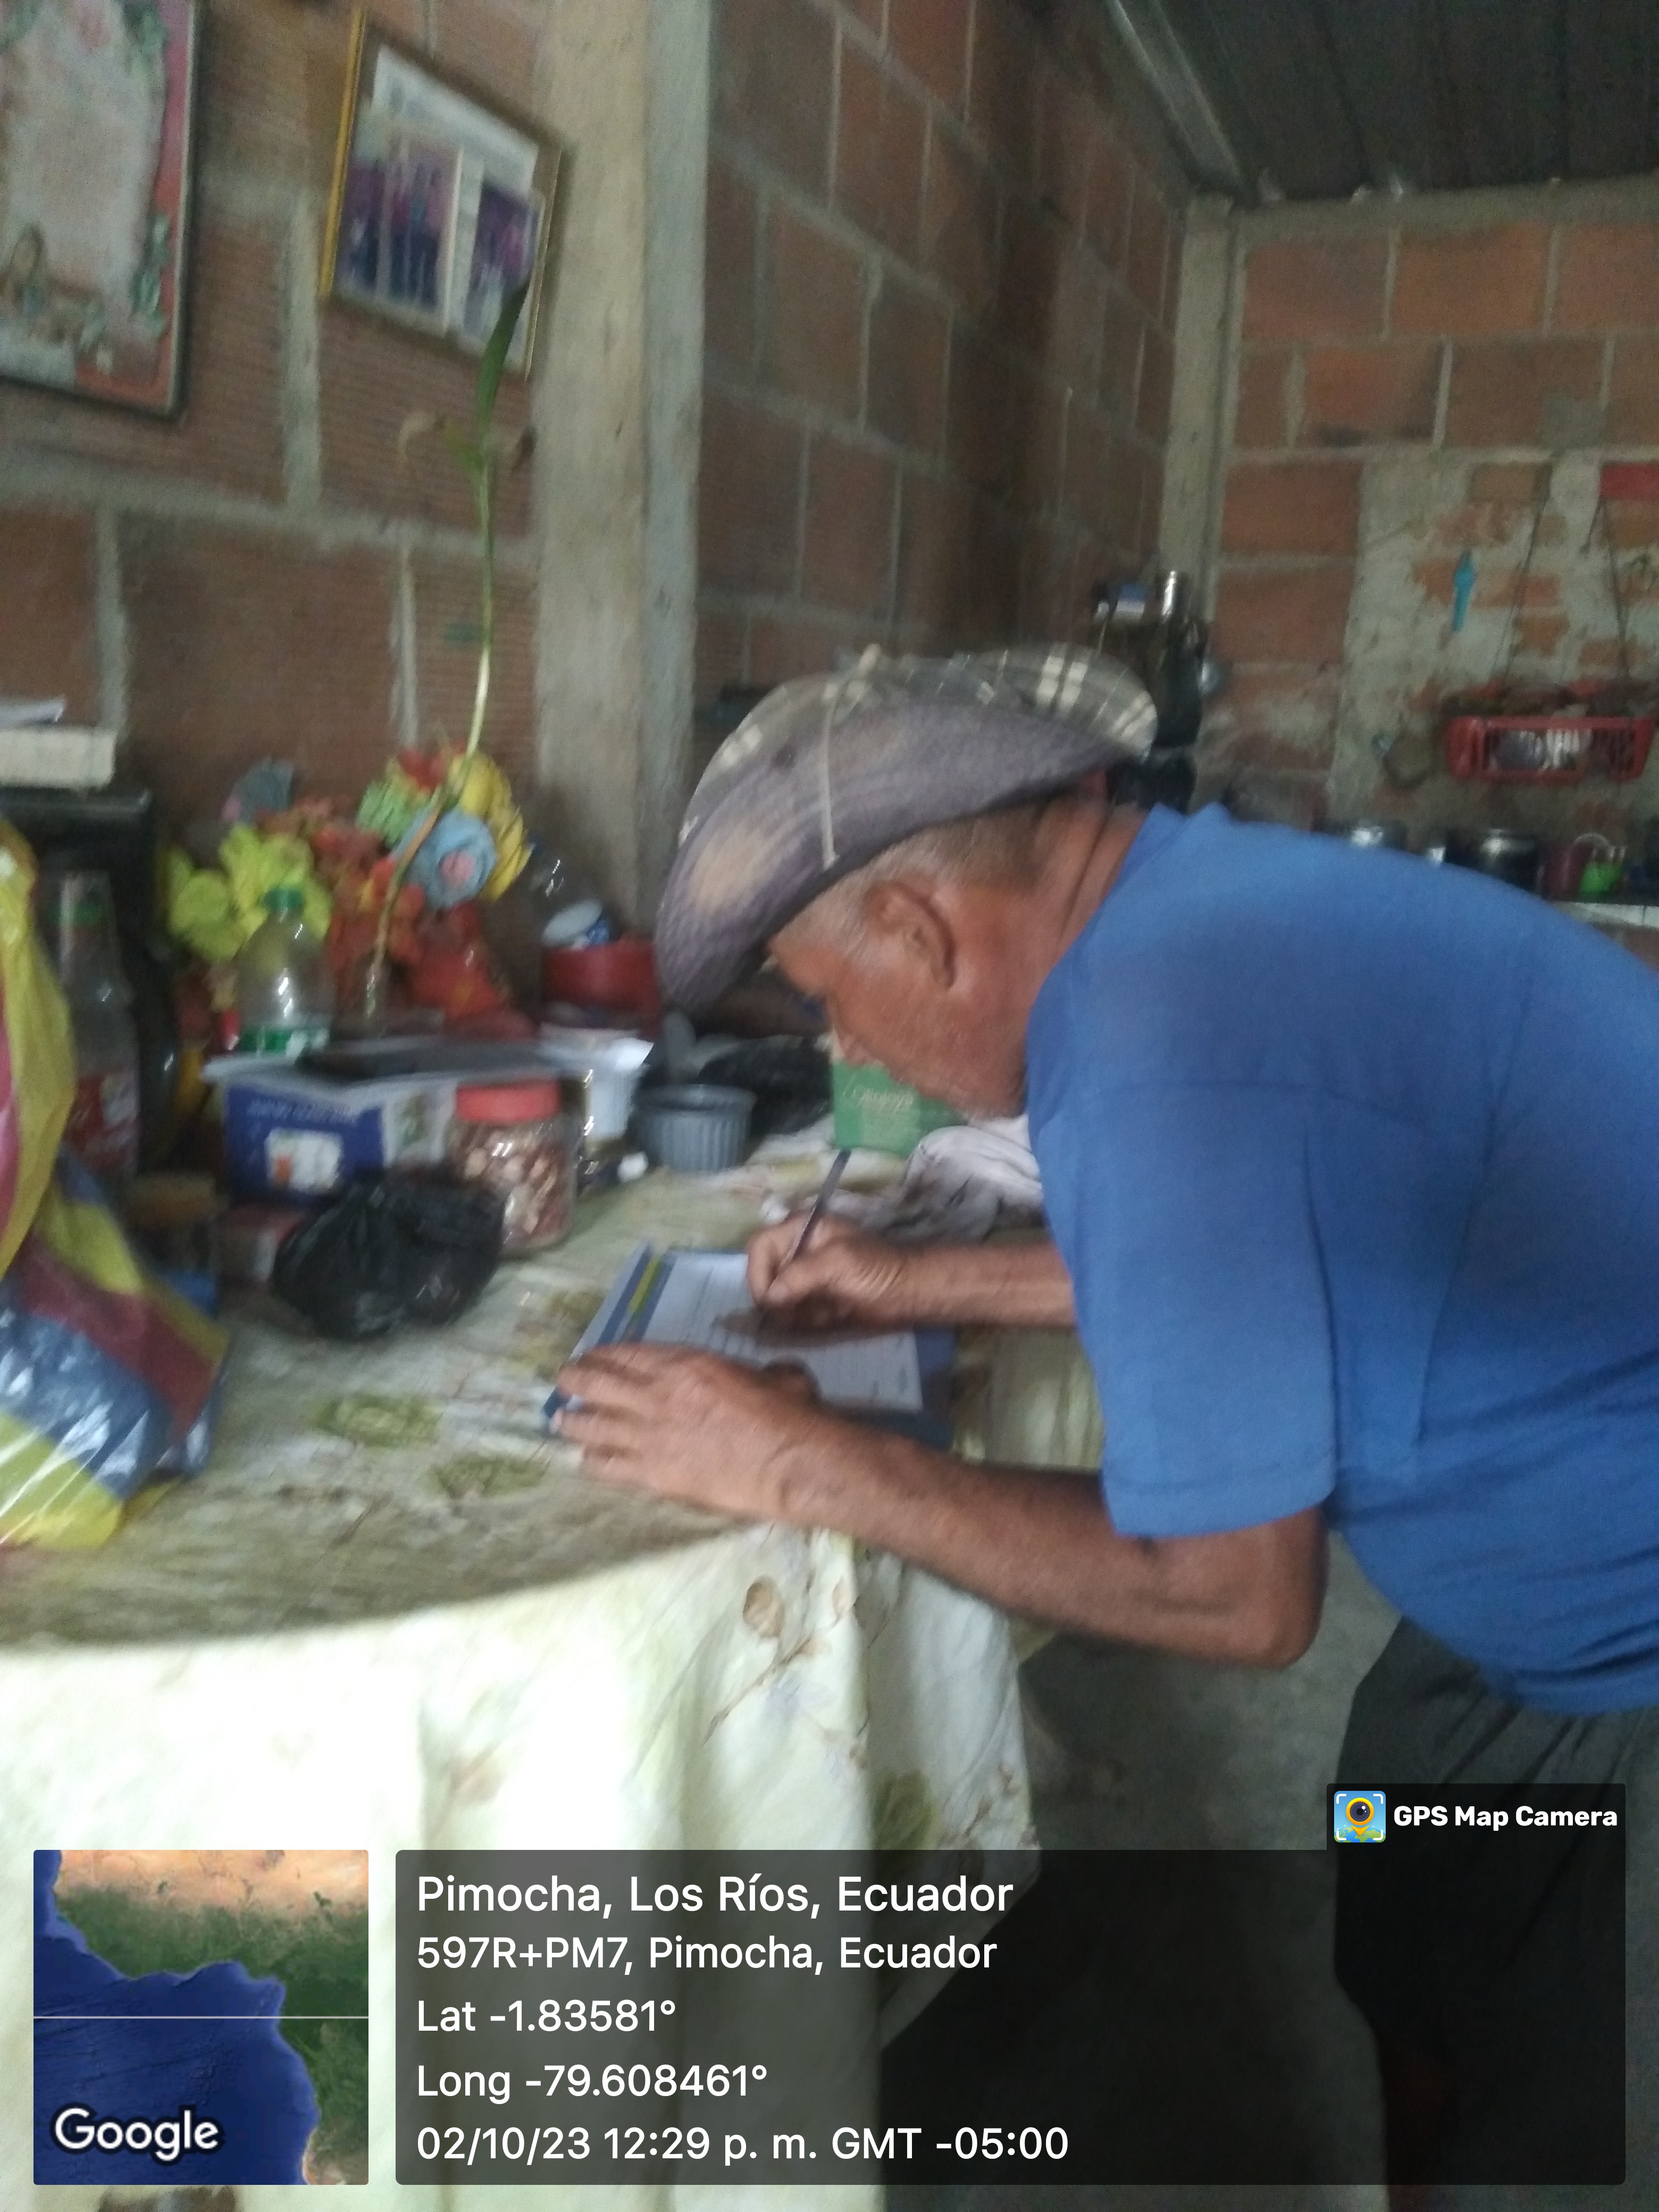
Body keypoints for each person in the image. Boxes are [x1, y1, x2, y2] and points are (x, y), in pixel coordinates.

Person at [554, 646, 1659, 2198]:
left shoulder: (1154, 1042)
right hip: (1513, 1605)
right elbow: (1242, 1239)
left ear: (919, 927)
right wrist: (914, 1282)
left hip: (1621, 1634)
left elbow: (1234, 1594)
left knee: (1539, 2123)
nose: (845, 1050)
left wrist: (800, 1457)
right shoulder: (1190, 906)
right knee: (1414, 1927)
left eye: (825, 1001)